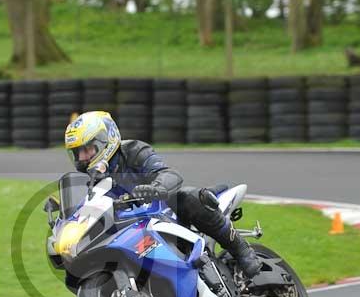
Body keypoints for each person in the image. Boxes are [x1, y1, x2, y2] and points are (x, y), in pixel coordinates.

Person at [64, 110, 260, 278]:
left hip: (165, 212)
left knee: (187, 198)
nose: (82, 158)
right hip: (132, 229)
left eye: (87, 149)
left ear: (106, 140)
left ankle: (242, 250)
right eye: (77, 153)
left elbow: (169, 174)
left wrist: (156, 188)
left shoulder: (133, 151)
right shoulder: (91, 180)